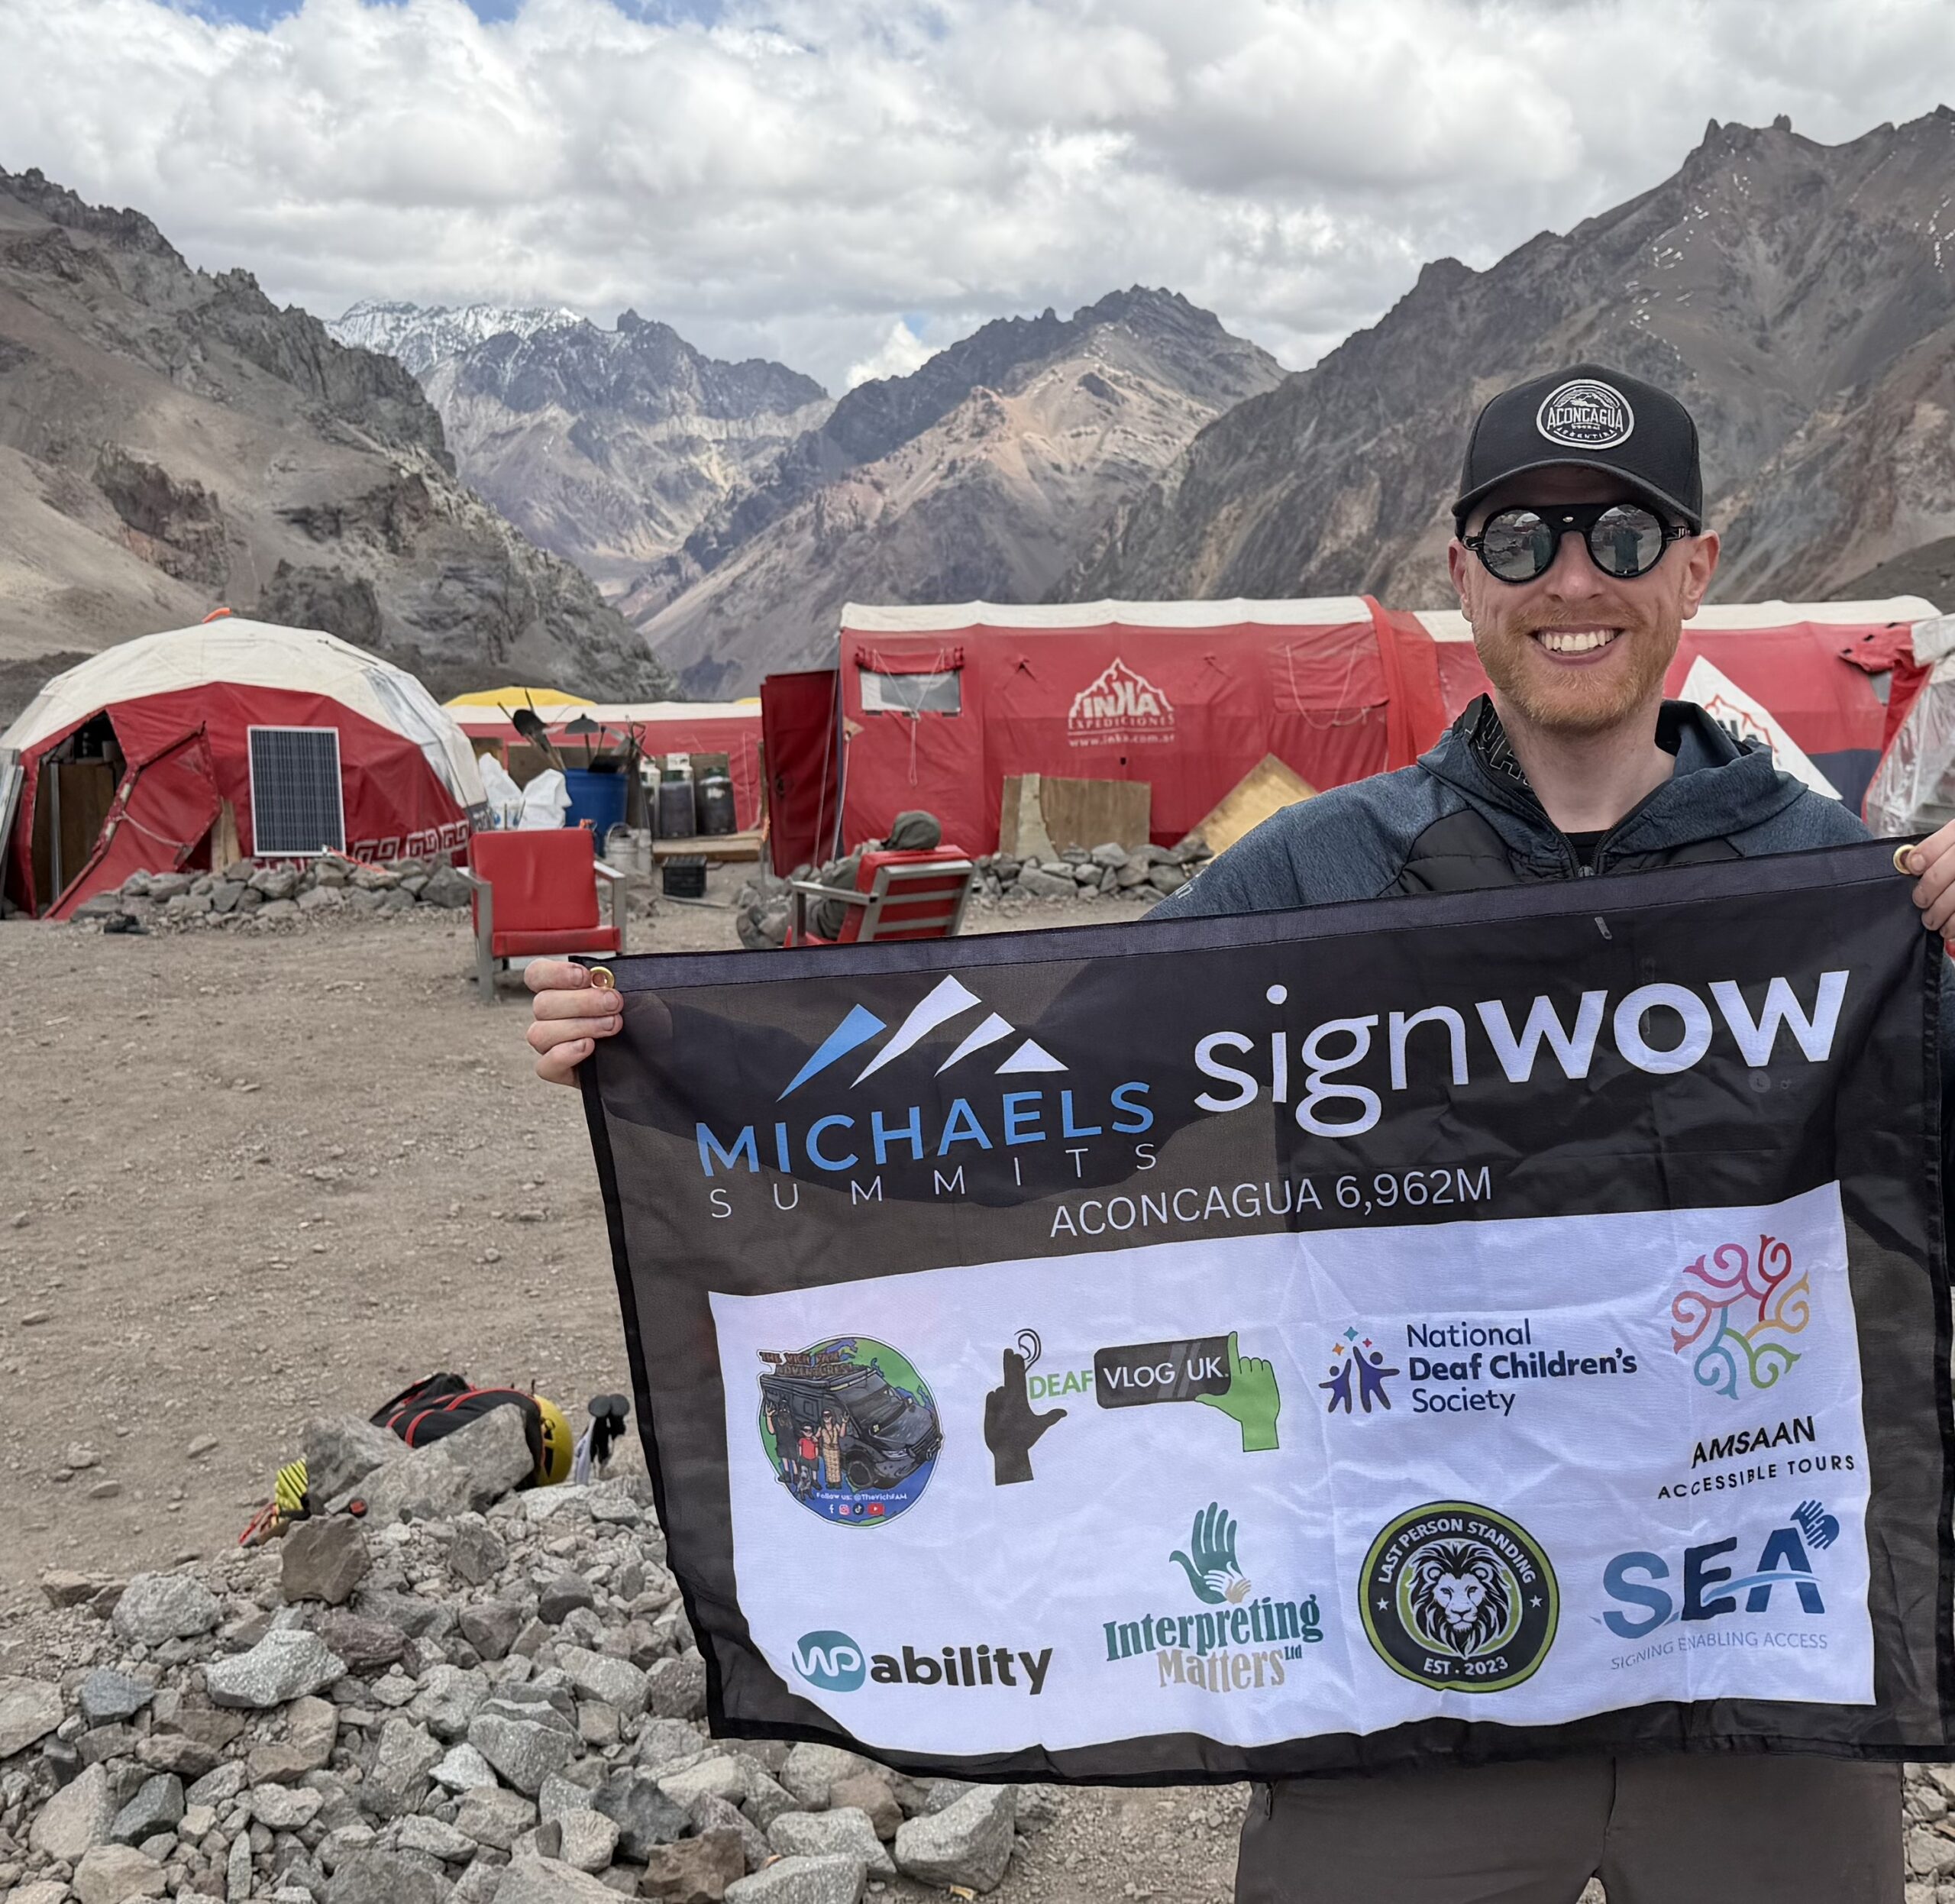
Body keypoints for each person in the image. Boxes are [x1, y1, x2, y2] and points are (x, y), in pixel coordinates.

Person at [524, 361, 1955, 1902]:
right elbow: (1056, 1096)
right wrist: (690, 1054)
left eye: (1619, 535)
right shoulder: (1320, 872)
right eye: (1521, 538)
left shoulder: (1828, 880)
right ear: (1461, 572)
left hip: (1752, 1649)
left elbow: (1917, 1182)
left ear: (1695, 567)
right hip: (1407, 1652)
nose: (1570, 580)